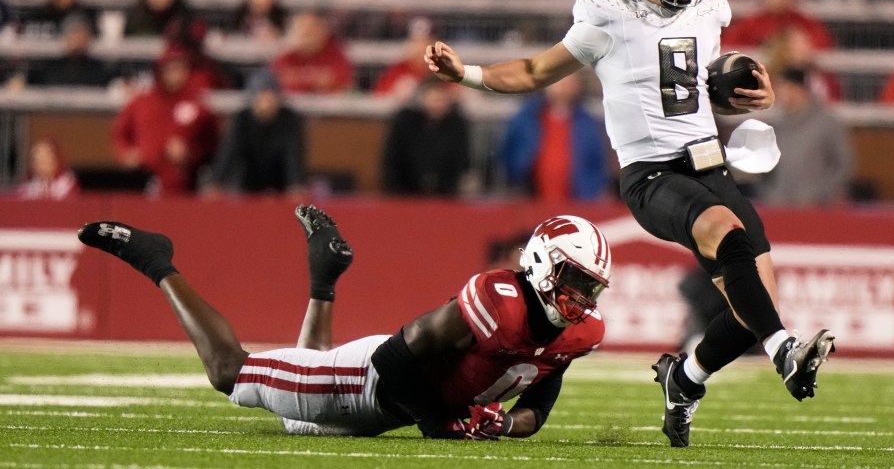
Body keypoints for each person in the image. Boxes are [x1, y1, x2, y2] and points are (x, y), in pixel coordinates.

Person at [425, 0, 836, 448]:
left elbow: (696, 91)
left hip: (710, 164)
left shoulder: (710, 13)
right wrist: (468, 75)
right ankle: (784, 350)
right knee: (727, 237)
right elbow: (532, 71)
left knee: (751, 307)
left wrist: (757, 94)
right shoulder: (607, 16)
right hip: (651, 175)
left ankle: (683, 379)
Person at [76, 206, 611, 439]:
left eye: (589, 287)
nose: (580, 298)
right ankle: (155, 259)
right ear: (541, 262)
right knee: (228, 371)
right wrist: (440, 419)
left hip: (386, 410)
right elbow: (394, 360)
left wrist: (502, 425)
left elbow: (537, 405)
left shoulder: (579, 335)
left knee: (298, 423)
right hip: (368, 382)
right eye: (574, 280)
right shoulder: (498, 299)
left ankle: (324, 278)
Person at [111, 44, 218, 195]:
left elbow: (211, 143)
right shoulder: (141, 102)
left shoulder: (199, 106)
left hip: (185, 182)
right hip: (143, 178)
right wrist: (125, 153)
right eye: (172, 68)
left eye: (182, 68)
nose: (177, 74)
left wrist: (191, 154)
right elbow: (120, 133)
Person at [500, 72, 608, 202]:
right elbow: (509, 153)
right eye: (559, 82)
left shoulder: (587, 123)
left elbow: (597, 161)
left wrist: (592, 189)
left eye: (569, 82)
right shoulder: (527, 118)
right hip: (531, 200)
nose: (563, 87)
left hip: (577, 201)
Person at [755, 68, 854, 206]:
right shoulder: (775, 126)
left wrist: (823, 194)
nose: (782, 94)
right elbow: (763, 169)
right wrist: (770, 194)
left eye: (786, 88)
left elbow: (843, 165)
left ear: (800, 89)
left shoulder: (827, 123)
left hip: (817, 208)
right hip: (779, 207)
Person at [205, 70, 306, 197]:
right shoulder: (242, 119)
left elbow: (293, 154)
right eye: (261, 97)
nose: (266, 104)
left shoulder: (289, 119)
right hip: (247, 182)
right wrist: (216, 182)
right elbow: (230, 151)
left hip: (281, 181)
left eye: (270, 97)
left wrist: (295, 185)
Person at [381, 75, 471, 196]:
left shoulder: (457, 123)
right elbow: (393, 159)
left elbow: (461, 160)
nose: (437, 104)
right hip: (406, 192)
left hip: (445, 194)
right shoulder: (405, 121)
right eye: (433, 98)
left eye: (441, 98)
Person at [271, 11, 354, 93]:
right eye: (304, 32)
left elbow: (342, 81)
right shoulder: (287, 56)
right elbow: (279, 81)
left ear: (323, 32)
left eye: (312, 31)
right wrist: (315, 81)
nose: (308, 36)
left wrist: (301, 79)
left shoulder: (336, 53)